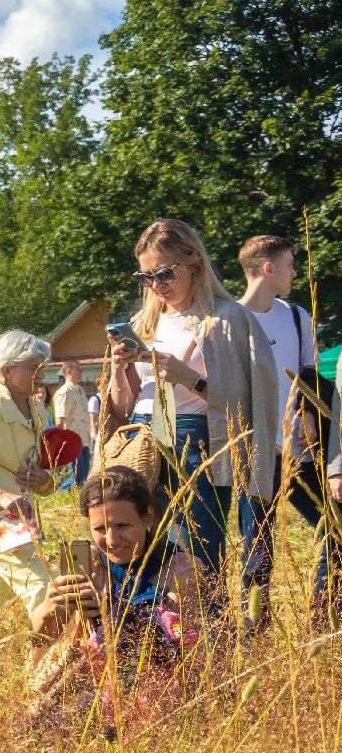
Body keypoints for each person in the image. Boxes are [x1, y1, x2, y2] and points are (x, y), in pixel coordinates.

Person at [102, 219, 280, 592]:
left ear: (194, 261)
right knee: (137, 547)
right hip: (141, 437)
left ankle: (205, 640)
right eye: (146, 276)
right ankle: (149, 634)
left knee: (194, 555)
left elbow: (247, 405)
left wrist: (189, 378)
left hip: (196, 439)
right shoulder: (143, 321)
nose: (156, 285)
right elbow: (121, 406)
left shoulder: (228, 318)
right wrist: (119, 371)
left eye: (165, 273)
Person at [30, 467, 203, 724]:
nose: (111, 540)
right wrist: (49, 609)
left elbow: (184, 649)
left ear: (148, 517)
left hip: (157, 697)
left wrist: (116, 616)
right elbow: (39, 643)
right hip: (90, 687)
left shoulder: (179, 570)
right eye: (100, 528)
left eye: (122, 525)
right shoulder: (88, 565)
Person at [235, 234, 330, 627]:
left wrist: (308, 412)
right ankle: (254, 631)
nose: (295, 272)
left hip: (300, 449)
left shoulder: (296, 316)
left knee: (334, 526)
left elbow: (310, 372)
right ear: (268, 268)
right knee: (258, 549)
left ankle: (325, 615)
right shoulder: (230, 319)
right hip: (254, 453)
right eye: (290, 264)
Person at [0, 331, 58, 625]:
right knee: (43, 587)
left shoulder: (36, 408)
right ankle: (50, 661)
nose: (42, 373)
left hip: (22, 518)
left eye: (44, 366)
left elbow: (44, 466)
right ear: (7, 370)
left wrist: (43, 477)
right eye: (33, 366)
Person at [53, 362, 93, 485]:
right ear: (69, 372)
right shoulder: (64, 392)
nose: (82, 373)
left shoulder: (80, 391)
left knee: (84, 476)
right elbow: (60, 419)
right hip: (72, 440)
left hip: (84, 439)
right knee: (77, 476)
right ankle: (64, 493)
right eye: (79, 370)